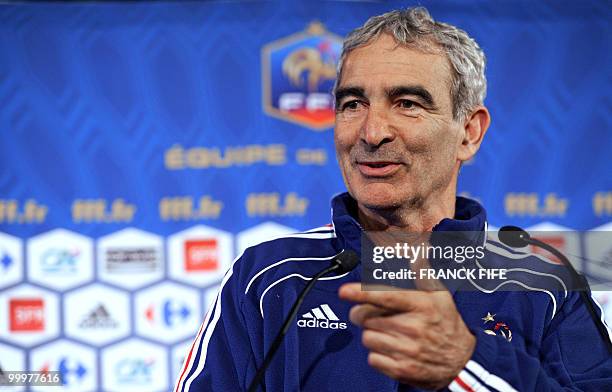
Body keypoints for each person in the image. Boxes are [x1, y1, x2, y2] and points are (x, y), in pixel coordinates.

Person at [174, 7, 611, 392]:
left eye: (406, 103)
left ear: (469, 132)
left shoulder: (540, 280)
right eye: (352, 104)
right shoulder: (268, 278)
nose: (371, 131)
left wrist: (468, 365)